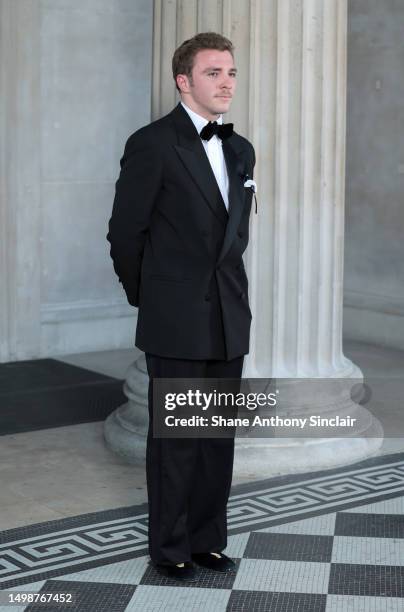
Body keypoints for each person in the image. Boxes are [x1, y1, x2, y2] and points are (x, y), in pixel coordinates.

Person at [107, 32, 256, 582]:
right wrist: (153, 299)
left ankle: (207, 540)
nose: (226, 83)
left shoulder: (241, 149)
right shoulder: (152, 143)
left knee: (216, 439)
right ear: (183, 80)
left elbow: (233, 235)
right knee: (176, 440)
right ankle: (170, 547)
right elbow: (125, 235)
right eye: (213, 72)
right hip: (176, 316)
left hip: (227, 315)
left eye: (231, 73)